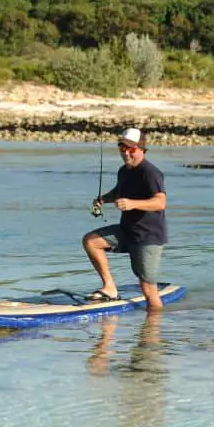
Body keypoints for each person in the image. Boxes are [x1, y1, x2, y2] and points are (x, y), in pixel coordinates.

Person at [82, 127, 168, 311]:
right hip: (127, 231)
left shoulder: (150, 172)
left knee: (147, 288)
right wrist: (103, 199)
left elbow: (160, 202)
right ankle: (110, 288)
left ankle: (152, 330)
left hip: (147, 237)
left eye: (132, 149)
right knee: (91, 241)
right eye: (123, 148)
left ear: (142, 149)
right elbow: (118, 192)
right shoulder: (124, 171)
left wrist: (132, 204)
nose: (127, 152)